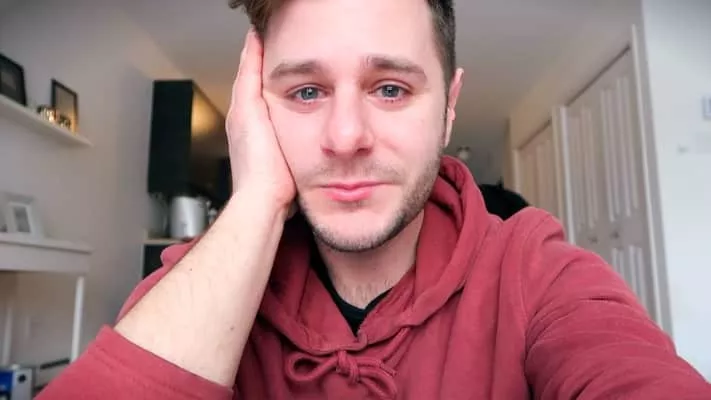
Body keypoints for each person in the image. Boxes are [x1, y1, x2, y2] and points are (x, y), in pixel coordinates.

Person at [38, 0, 711, 398]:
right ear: (255, 109)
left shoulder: (538, 275)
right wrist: (257, 199)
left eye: (390, 88)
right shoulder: (198, 287)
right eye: (305, 91)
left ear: (448, 108)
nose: (345, 137)